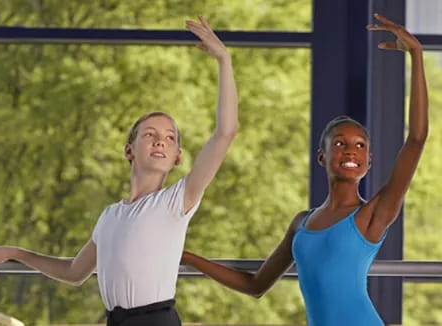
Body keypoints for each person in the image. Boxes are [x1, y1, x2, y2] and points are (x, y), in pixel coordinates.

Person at [0, 16, 238, 326]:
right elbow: (74, 273)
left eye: (169, 137)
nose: (160, 141)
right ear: (129, 150)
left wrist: (224, 59)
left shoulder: (177, 201)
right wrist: (17, 253)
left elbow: (225, 132)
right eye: (150, 134)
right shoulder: (110, 216)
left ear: (177, 157)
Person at [182, 13, 427, 326]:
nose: (351, 149)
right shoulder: (301, 222)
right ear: (322, 157)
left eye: (360, 145)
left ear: (369, 162)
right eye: (339, 143)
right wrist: (185, 257)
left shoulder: (373, 215)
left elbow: (417, 139)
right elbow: (254, 286)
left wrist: (416, 55)